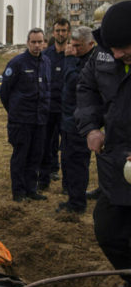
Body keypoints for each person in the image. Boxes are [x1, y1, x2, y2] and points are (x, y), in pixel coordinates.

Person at [76, 1, 131, 287]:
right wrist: (91, 127)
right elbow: (86, 89)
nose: (118, 54)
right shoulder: (103, 53)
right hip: (115, 163)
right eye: (114, 48)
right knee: (108, 229)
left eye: (124, 47)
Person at [0, 28, 51, 202]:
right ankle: (19, 191)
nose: (37, 45)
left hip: (40, 119)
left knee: (35, 155)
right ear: (27, 42)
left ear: (44, 42)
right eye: (33, 42)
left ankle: (31, 188)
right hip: (21, 120)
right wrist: (15, 110)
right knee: (20, 156)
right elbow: (5, 92)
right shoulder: (17, 63)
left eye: (40, 42)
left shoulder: (46, 62)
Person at [57, 27, 96, 214]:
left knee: (77, 163)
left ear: (90, 44)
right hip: (68, 118)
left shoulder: (91, 61)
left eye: (78, 46)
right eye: (72, 45)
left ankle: (77, 203)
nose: (73, 49)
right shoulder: (79, 58)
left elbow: (74, 83)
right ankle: (73, 197)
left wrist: (69, 60)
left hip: (80, 122)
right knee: (68, 160)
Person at [39, 18, 70, 191]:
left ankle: (67, 184)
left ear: (68, 32)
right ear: (53, 32)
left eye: (64, 30)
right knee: (45, 145)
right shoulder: (46, 55)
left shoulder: (73, 54)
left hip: (66, 110)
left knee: (66, 148)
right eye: (58, 30)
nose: (60, 34)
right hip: (49, 108)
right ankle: (43, 180)